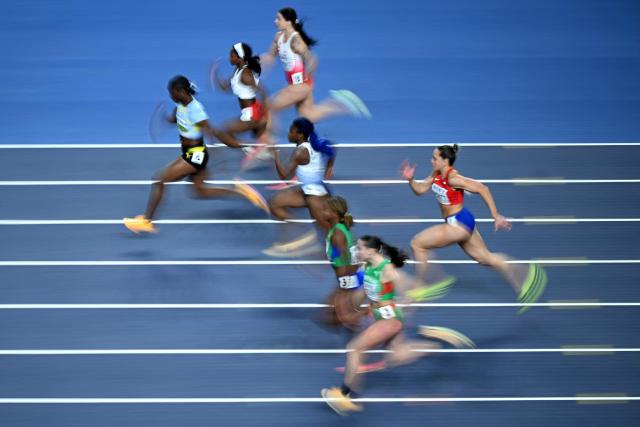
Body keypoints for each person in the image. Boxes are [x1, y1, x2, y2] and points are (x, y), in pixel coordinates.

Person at [322, 235, 474, 415]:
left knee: (354, 348)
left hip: (390, 320)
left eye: (360, 248)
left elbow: (409, 289)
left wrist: (407, 302)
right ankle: (433, 344)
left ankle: (346, 397)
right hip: (380, 316)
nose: (357, 251)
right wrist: (351, 308)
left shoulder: (388, 269)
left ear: (371, 251)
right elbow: (363, 293)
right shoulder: (367, 267)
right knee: (396, 356)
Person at [400, 144, 547, 312]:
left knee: (418, 243)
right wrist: (410, 180)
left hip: (459, 223)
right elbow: (420, 190)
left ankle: (422, 287)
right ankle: (527, 277)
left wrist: (496, 215)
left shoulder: (452, 178)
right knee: (485, 258)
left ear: (445, 160)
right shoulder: (436, 174)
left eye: (435, 158)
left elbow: (482, 188)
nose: (431, 160)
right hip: (461, 221)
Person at [123, 75, 269, 233]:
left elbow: (211, 131)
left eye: (172, 93)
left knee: (159, 180)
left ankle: (146, 221)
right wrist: (166, 119)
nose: (170, 96)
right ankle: (240, 191)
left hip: (195, 156)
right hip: (192, 154)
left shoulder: (195, 109)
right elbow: (177, 117)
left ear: (180, 91)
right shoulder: (180, 104)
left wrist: (231, 146)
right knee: (200, 191)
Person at [260, 7, 371, 125]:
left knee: (269, 108)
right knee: (309, 116)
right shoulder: (278, 37)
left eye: (278, 18)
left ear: (288, 22)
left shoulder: (296, 40)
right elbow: (270, 56)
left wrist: (304, 81)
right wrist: (255, 66)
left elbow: (312, 60)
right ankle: (342, 103)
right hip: (298, 84)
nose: (275, 21)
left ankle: (267, 141)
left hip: (301, 85)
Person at [263, 117, 335, 256]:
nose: (289, 134)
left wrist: (275, 154)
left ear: (300, 135)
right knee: (274, 203)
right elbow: (331, 149)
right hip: (306, 193)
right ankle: (303, 231)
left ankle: (339, 256)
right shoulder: (314, 144)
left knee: (327, 234)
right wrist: (329, 169)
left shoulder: (301, 152)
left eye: (292, 131)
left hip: (316, 198)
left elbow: (284, 176)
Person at [211, 42, 273, 169]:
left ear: (240, 58)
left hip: (252, 114)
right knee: (265, 149)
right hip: (250, 112)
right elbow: (225, 87)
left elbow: (263, 92)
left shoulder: (245, 74)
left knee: (221, 132)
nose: (229, 57)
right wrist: (214, 73)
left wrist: (265, 116)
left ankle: (250, 147)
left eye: (232, 55)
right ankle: (260, 150)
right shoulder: (238, 70)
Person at [321, 196, 365, 330]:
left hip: (349, 274)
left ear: (334, 214)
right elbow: (340, 254)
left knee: (340, 316)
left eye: (325, 210)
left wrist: (345, 283)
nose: (322, 213)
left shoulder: (337, 234)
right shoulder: (337, 228)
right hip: (349, 272)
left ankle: (367, 320)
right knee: (333, 313)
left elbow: (345, 258)